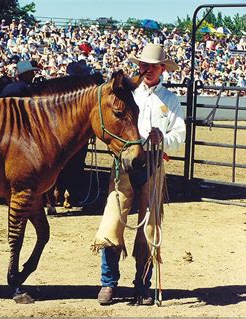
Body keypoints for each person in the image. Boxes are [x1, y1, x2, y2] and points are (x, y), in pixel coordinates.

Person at [93, 43, 186, 306]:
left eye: (153, 66)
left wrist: (163, 139)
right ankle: (108, 283)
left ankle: (142, 285)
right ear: (139, 66)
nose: (148, 70)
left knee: (150, 225)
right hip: (124, 163)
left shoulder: (170, 99)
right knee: (113, 220)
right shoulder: (128, 93)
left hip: (153, 162)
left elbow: (179, 135)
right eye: (144, 65)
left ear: (162, 69)